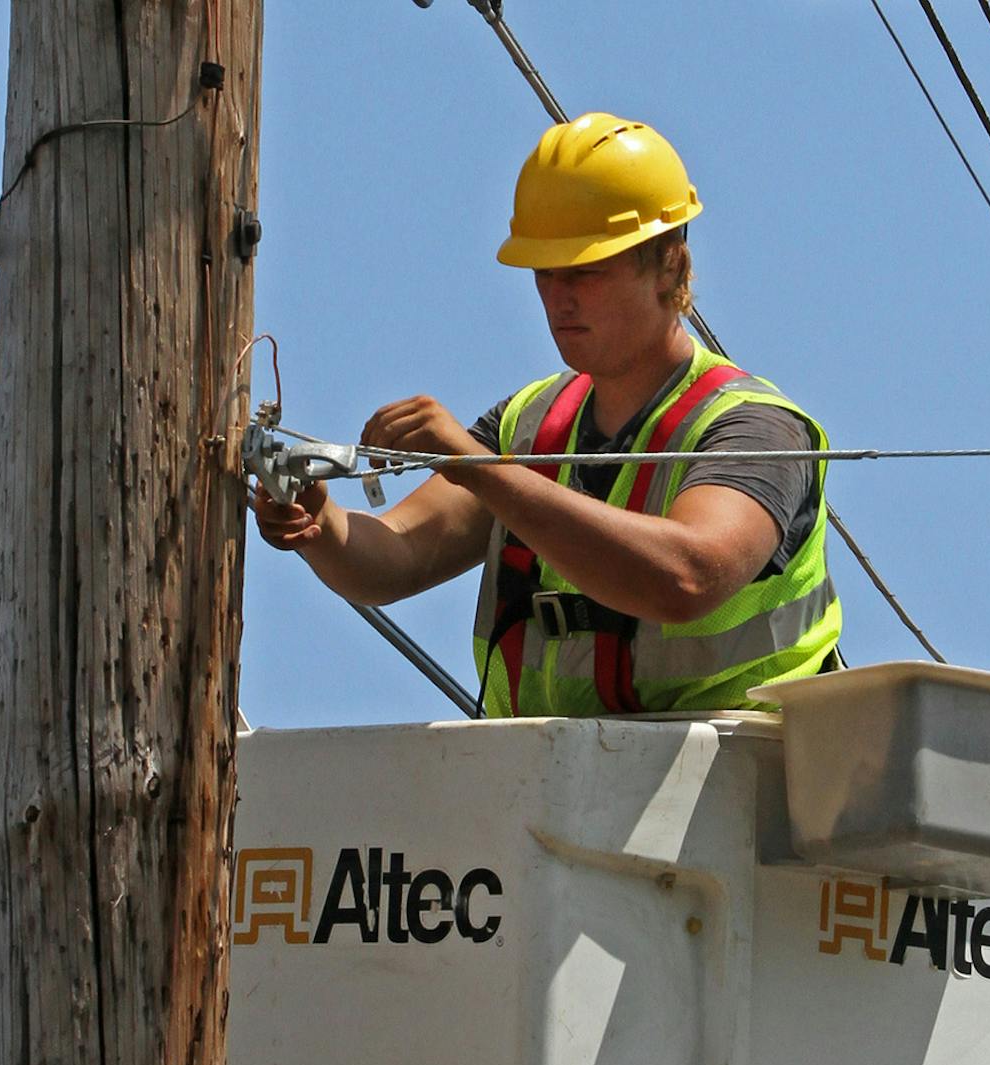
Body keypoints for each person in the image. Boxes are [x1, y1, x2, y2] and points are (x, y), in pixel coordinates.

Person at [252, 112, 839, 717]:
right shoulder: (529, 423)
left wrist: (477, 468)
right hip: (549, 786)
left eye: (586, 271)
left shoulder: (756, 429)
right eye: (545, 273)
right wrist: (320, 521)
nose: (559, 299)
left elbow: (687, 577)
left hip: (728, 788)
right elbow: (398, 556)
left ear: (670, 262)